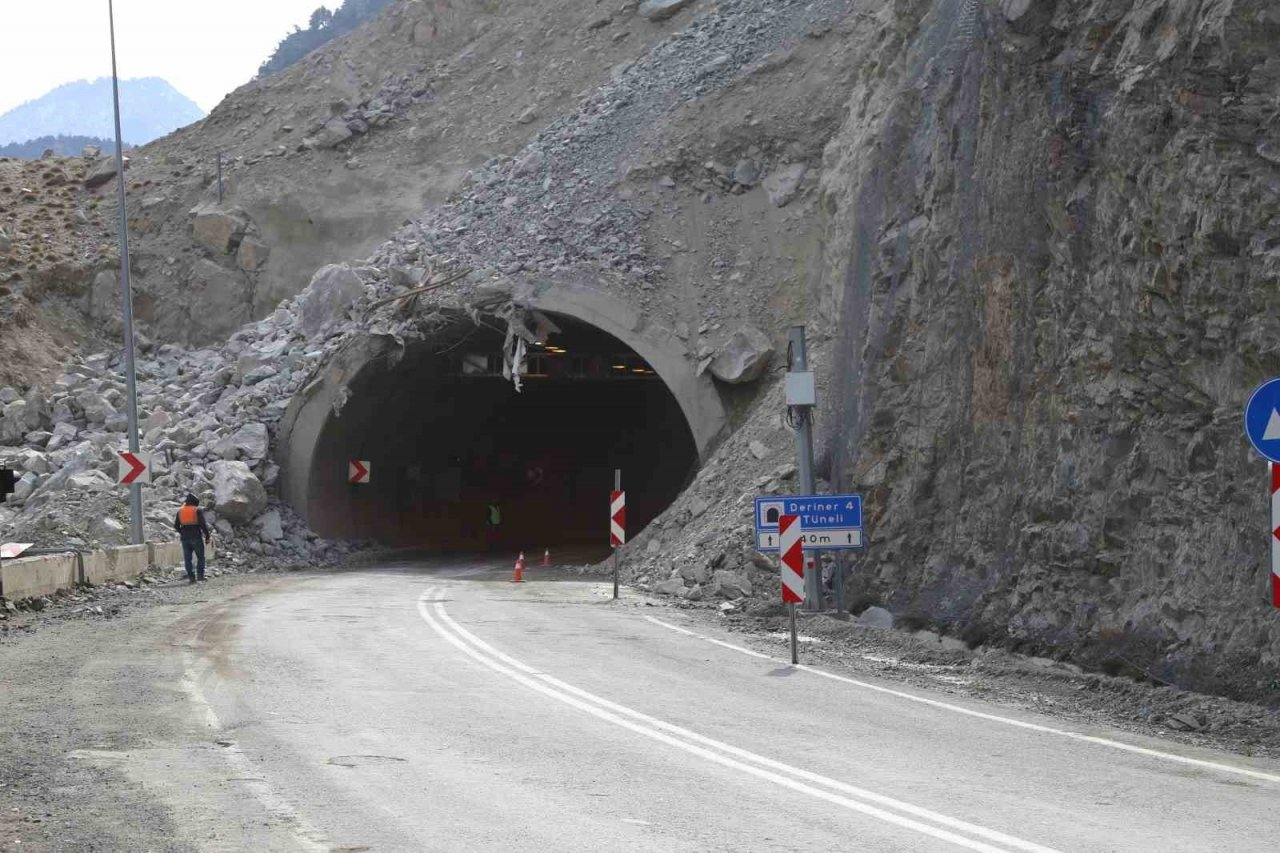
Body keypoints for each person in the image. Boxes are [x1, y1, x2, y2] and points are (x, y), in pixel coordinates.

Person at [174, 494, 212, 584]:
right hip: (196, 537)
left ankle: (191, 578)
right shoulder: (197, 510)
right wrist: (207, 536)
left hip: (185, 539)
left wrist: (182, 532)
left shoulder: (180, 511)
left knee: (188, 559)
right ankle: (200, 576)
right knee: (200, 557)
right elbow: (203, 525)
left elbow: (176, 526)